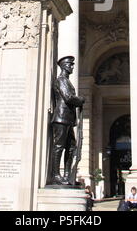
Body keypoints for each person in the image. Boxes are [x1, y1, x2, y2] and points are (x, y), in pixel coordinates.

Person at [50, 56, 85, 185]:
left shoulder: (67, 81)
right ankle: (55, 174)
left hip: (68, 119)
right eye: (70, 65)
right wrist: (80, 100)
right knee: (58, 146)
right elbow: (68, 98)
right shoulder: (61, 80)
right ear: (64, 66)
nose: (72, 67)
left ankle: (67, 175)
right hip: (61, 117)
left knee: (71, 147)